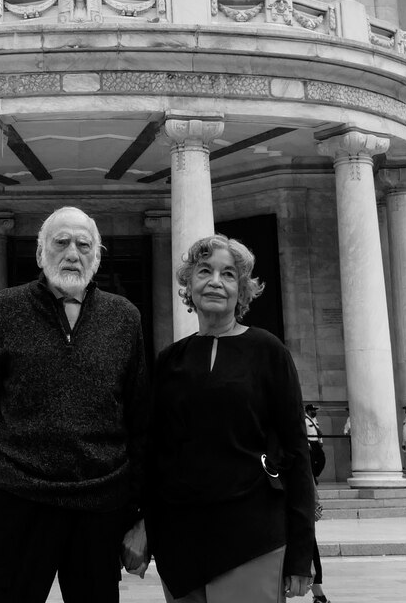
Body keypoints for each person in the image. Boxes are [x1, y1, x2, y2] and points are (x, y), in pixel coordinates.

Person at [0, 205, 149, 603]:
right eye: (61, 242)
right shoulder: (3, 310)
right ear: (40, 253)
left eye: (84, 244)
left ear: (97, 255)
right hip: (15, 499)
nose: (72, 253)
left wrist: (138, 518)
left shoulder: (125, 317)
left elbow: (140, 422)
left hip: (99, 506)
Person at [145, 233, 315, 602]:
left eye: (228, 274)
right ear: (189, 285)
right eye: (204, 271)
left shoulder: (268, 350)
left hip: (252, 536)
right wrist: (144, 525)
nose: (215, 282)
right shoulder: (169, 360)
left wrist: (302, 551)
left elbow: (296, 452)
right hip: (181, 539)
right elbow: (155, 454)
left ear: (243, 290)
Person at [305, 404, 326, 482]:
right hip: (310, 443)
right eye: (313, 410)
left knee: (322, 459)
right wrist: (308, 444)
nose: (314, 412)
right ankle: (313, 478)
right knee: (312, 461)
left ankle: (314, 474)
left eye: (315, 410)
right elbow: (304, 433)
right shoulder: (304, 420)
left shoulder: (315, 419)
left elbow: (318, 431)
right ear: (308, 411)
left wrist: (320, 441)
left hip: (316, 442)